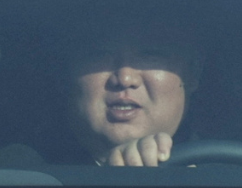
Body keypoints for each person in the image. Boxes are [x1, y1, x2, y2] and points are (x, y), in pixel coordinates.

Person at [65, 27, 202, 167]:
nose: (125, 79)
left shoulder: (221, 174)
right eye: (99, 55)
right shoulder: (43, 179)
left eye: (150, 55)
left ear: (191, 75)